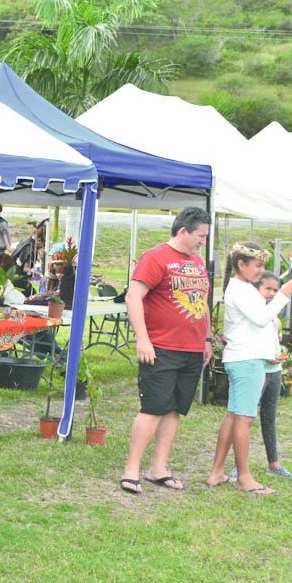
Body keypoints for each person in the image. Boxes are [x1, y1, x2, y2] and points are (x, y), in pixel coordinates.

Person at [119, 207, 212, 495]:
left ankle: (158, 468)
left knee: (174, 409)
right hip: (161, 348)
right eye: (200, 235)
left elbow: (203, 301)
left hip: (192, 349)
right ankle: (131, 470)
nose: (202, 242)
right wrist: (142, 339)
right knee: (153, 408)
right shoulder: (156, 257)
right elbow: (133, 297)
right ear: (183, 231)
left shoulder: (197, 262)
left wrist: (207, 339)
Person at [206, 245, 292, 494]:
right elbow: (261, 319)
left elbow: (259, 323)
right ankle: (244, 478)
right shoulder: (241, 290)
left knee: (235, 416)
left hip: (246, 358)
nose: (261, 270)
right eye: (257, 265)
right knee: (245, 419)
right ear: (241, 265)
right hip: (247, 361)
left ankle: (216, 473)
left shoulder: (242, 289)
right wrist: (284, 294)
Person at [225, 272, 292, 482]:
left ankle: (274, 464)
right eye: (267, 289)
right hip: (253, 368)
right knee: (242, 418)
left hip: (273, 370)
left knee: (269, 417)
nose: (271, 294)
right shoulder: (253, 310)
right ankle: (237, 466)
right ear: (255, 290)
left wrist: (276, 357)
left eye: (276, 290)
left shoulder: (272, 313)